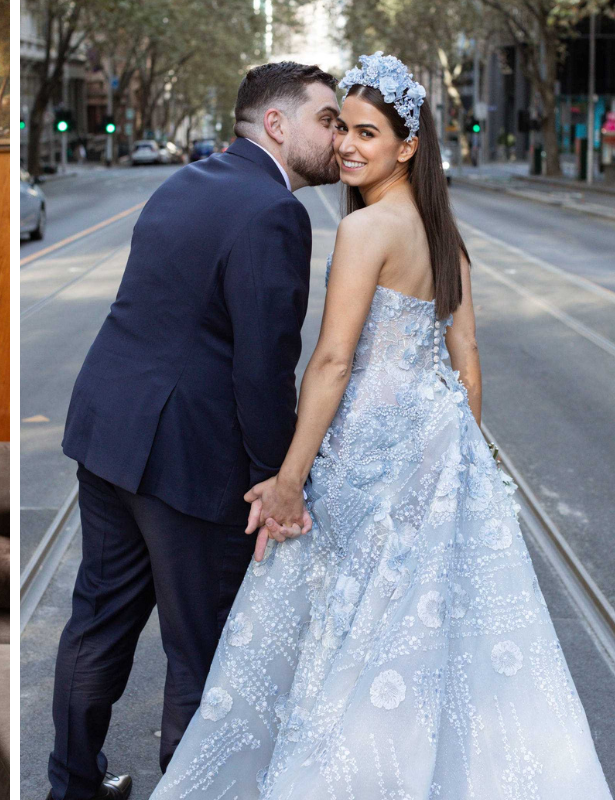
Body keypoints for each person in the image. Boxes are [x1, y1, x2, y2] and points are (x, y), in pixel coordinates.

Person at [152, 53, 613, 799]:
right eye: (344, 132)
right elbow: (467, 362)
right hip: (434, 448)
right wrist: (457, 461)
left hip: (367, 448)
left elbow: (332, 363)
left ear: (408, 148)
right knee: (423, 631)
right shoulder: (444, 238)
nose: (348, 147)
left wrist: (290, 477)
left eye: (368, 134)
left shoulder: (366, 233)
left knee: (348, 625)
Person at [49, 62, 342, 800]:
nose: (338, 136)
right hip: (190, 459)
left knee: (99, 621)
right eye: (328, 119)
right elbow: (262, 369)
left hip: (110, 436)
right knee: (199, 647)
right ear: (277, 124)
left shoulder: (185, 181)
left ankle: (70, 787)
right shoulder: (276, 214)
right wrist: (279, 481)